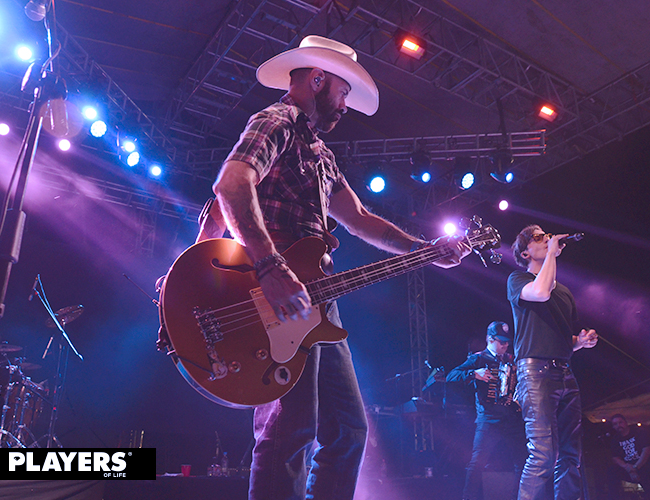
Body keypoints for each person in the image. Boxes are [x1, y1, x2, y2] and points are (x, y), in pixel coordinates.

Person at [210, 35, 471, 500]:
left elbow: (361, 219)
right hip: (278, 294)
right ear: (317, 80)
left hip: (319, 300)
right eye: (344, 91)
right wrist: (269, 267)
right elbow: (231, 185)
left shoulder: (322, 155)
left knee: (348, 430)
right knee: (289, 430)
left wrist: (424, 249)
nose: (346, 105)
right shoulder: (276, 122)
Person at [507, 225, 598, 500]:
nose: (546, 238)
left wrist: (581, 341)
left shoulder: (565, 292)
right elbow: (541, 292)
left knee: (571, 455)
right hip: (535, 374)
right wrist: (551, 255)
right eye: (538, 237)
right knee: (543, 455)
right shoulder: (518, 279)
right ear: (525, 253)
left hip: (565, 373)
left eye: (546, 235)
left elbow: (561, 338)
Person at [446, 321, 527, 500]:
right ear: (490, 339)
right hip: (489, 419)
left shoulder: (510, 359)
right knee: (477, 464)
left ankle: (518, 497)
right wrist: (474, 374)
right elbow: (451, 376)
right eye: (502, 341)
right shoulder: (479, 359)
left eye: (507, 342)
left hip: (511, 419)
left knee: (523, 462)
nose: (506, 345)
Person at [609, 413, 650, 497]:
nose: (618, 425)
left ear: (626, 422)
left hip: (643, 464)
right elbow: (615, 458)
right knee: (612, 471)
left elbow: (646, 450)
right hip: (628, 467)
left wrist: (636, 467)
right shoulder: (615, 440)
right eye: (615, 424)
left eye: (620, 422)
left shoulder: (638, 432)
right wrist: (627, 468)